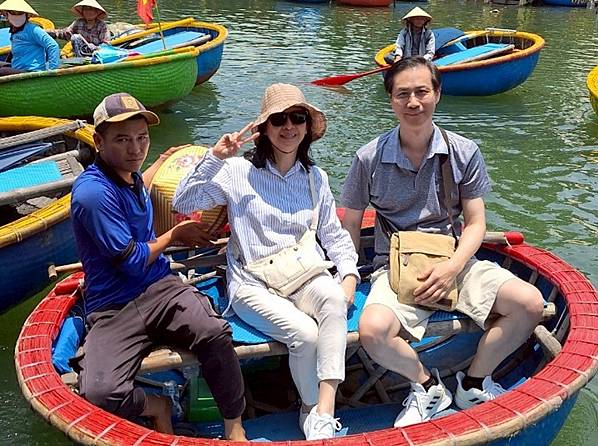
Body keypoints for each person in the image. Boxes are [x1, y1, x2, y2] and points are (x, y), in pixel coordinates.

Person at [340, 57, 544, 427]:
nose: (413, 102)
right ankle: (428, 386)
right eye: (403, 94)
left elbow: (476, 223)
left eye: (422, 91)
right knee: (372, 331)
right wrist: (349, 277)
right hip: (394, 267)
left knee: (530, 303)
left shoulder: (464, 151)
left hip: (454, 259)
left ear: (437, 94)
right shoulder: (368, 157)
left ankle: (474, 382)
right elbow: (351, 224)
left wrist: (452, 268)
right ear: (391, 100)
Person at [172, 83, 360, 440]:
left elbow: (334, 236)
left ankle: (323, 412)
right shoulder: (236, 171)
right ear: (264, 128)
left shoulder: (315, 178)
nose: (289, 126)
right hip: (252, 281)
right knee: (305, 335)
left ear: (307, 126)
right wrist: (215, 157)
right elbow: (183, 202)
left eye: (297, 118)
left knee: (335, 300)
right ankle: (309, 408)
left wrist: (349, 274)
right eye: (278, 119)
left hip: (303, 273)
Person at [70, 92, 247, 441]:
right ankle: (156, 406)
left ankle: (235, 427)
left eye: (142, 138)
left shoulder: (130, 174)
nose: (136, 149)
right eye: (122, 140)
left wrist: (163, 161)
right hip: (113, 306)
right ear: (98, 142)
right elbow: (132, 262)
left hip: (160, 288)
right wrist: (174, 235)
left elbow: (143, 181)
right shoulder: (92, 194)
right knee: (99, 394)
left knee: (214, 333)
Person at [0, 0, 59, 75]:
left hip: (31, 70)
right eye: (13, 12)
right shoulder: (14, 31)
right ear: (6, 14)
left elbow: (53, 46)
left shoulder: (33, 29)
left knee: (2, 71)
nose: (16, 15)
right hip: (17, 68)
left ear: (26, 15)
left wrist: (52, 70)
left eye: (19, 13)